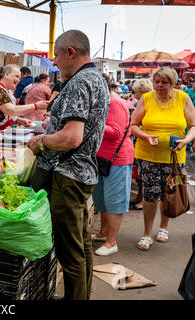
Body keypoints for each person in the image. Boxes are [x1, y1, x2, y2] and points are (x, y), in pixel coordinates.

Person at [27, 30, 110, 300]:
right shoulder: (96, 79)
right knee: (82, 245)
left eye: (57, 54)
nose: (55, 61)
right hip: (84, 172)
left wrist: (42, 141)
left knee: (69, 252)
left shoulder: (78, 82)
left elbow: (71, 137)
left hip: (69, 175)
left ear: (70, 52)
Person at [131, 67, 195, 251]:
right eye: (157, 81)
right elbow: (134, 125)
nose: (159, 85)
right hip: (147, 156)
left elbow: (193, 126)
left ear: (173, 83)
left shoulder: (183, 98)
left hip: (176, 157)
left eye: (164, 82)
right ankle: (147, 233)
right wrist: (145, 136)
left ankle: (164, 228)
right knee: (150, 195)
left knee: (170, 192)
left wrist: (186, 140)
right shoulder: (147, 98)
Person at [91, 74, 134, 256]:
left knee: (114, 200)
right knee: (102, 199)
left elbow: (115, 132)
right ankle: (103, 233)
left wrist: (90, 122)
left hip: (117, 159)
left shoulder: (115, 104)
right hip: (103, 158)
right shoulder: (105, 103)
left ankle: (111, 242)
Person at [128, 78, 153, 210]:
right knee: (139, 174)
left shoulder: (147, 103)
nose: (133, 93)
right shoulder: (140, 103)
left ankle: (143, 200)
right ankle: (139, 197)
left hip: (145, 142)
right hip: (140, 141)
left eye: (135, 91)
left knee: (144, 175)